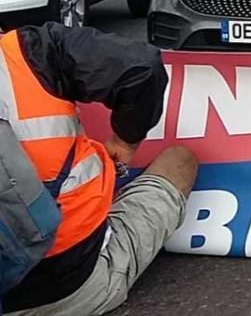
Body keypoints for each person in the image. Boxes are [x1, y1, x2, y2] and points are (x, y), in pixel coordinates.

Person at [1, 23, 198, 315]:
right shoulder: (28, 51)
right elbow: (142, 68)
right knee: (180, 161)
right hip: (68, 286)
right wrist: (125, 142)